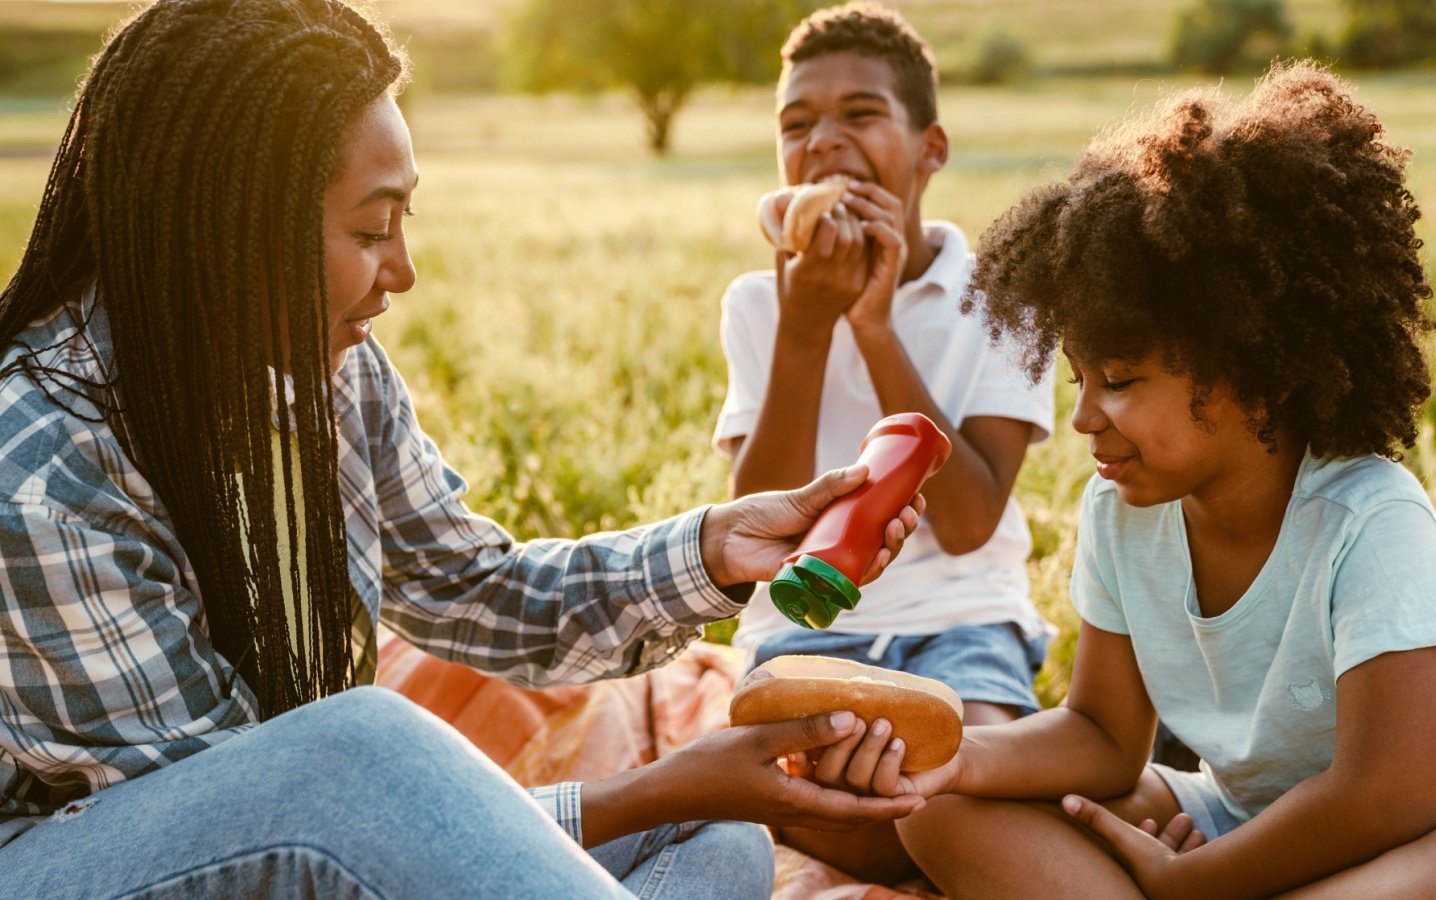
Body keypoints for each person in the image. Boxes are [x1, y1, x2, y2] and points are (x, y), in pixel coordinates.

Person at [0, 1, 931, 897]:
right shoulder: (40, 471)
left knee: (716, 840)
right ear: (231, 232)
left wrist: (716, 551)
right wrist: (654, 786)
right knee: (361, 743)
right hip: (86, 867)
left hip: (313, 827)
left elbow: (465, 587)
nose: (402, 270)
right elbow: (264, 850)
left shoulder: (326, 372)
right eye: (371, 230)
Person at [884, 62, 1436, 898]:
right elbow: (1106, 735)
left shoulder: (1369, 520)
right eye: (1078, 379)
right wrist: (946, 752)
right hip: (1241, 824)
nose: (1085, 419)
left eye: (1121, 378)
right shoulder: (1121, 510)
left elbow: (1392, 793)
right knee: (934, 806)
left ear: (1255, 368)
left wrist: (1199, 883)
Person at [711, 1, 1056, 883]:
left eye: (860, 114)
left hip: (961, 621)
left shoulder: (1007, 300)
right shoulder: (761, 305)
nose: (824, 141)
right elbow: (765, 529)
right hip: (804, 631)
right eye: (797, 124)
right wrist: (806, 325)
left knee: (960, 787)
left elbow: (973, 518)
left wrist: (873, 325)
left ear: (930, 148)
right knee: (797, 797)